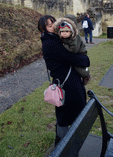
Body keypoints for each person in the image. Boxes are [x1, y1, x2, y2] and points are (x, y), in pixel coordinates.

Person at [38, 15, 90, 146]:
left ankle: (65, 142)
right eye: (50, 25)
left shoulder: (56, 38)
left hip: (68, 82)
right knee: (64, 115)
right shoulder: (50, 43)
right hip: (65, 84)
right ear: (43, 30)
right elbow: (70, 57)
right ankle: (63, 145)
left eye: (54, 23)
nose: (54, 26)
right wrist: (86, 60)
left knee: (67, 113)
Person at [53, 17, 91, 85]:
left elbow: (73, 50)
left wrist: (63, 46)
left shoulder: (74, 38)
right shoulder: (65, 38)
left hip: (80, 52)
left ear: (71, 32)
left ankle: (86, 76)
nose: (64, 33)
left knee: (78, 67)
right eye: (62, 32)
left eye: (66, 31)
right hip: (75, 54)